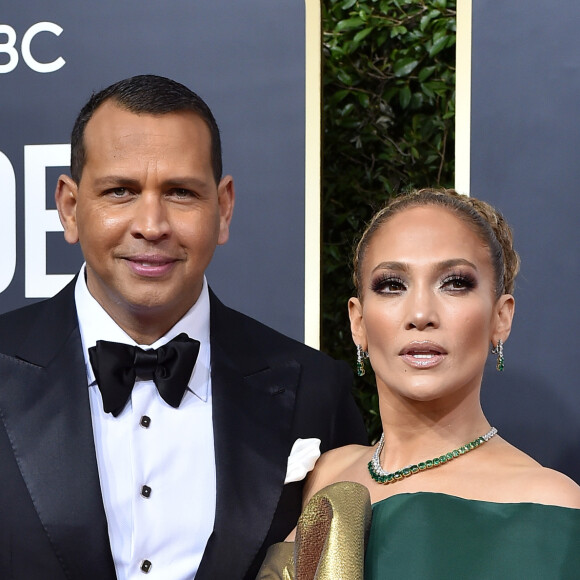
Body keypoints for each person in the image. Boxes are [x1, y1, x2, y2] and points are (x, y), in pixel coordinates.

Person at [0, 74, 367, 580]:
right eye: (120, 191)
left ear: (224, 207)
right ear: (69, 207)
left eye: (180, 192)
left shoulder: (314, 390)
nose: (151, 225)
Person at [259, 188, 580, 579]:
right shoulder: (320, 475)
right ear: (358, 322)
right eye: (392, 284)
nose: (421, 313)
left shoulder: (552, 505)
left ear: (501, 317)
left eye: (455, 282)